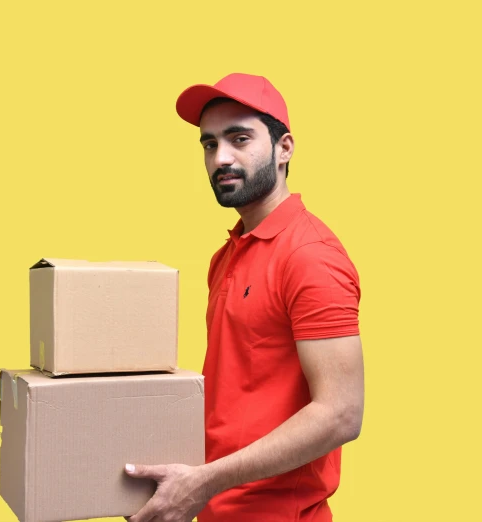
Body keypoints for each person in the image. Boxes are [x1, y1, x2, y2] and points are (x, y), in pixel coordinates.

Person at [125, 73, 364, 522]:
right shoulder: (229, 253)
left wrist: (201, 482)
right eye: (209, 144)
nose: (222, 158)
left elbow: (341, 414)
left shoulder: (311, 256)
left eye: (240, 139)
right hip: (215, 508)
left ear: (284, 149)